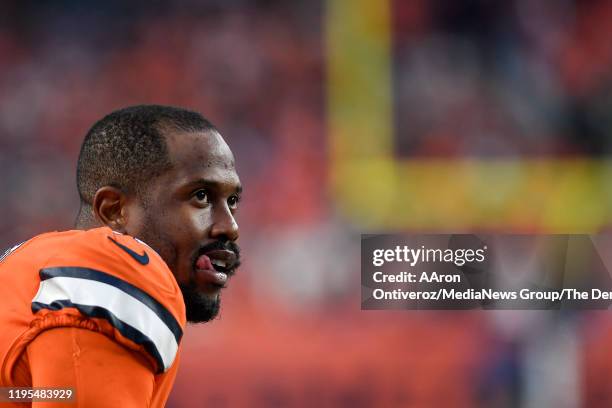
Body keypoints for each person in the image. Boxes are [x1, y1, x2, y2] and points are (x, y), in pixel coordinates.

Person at [0, 105, 242, 407]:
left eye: (232, 201)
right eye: (201, 197)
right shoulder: (111, 268)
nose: (230, 227)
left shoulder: (28, 265)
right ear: (114, 210)